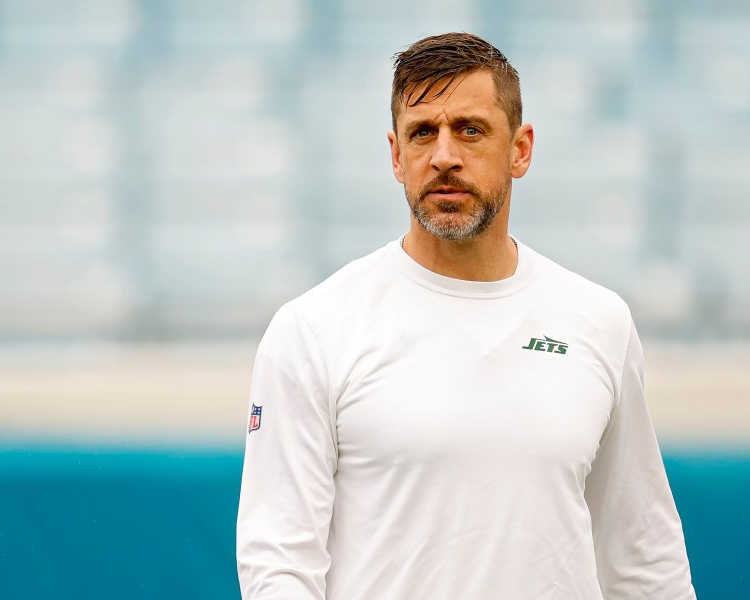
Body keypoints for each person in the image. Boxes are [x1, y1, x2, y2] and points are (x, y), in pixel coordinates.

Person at [236, 32, 696, 599]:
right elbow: (278, 562)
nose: (444, 155)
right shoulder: (312, 329)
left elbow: (644, 557)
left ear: (520, 150)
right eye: (422, 132)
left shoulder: (599, 321)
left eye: (470, 130)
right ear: (396, 156)